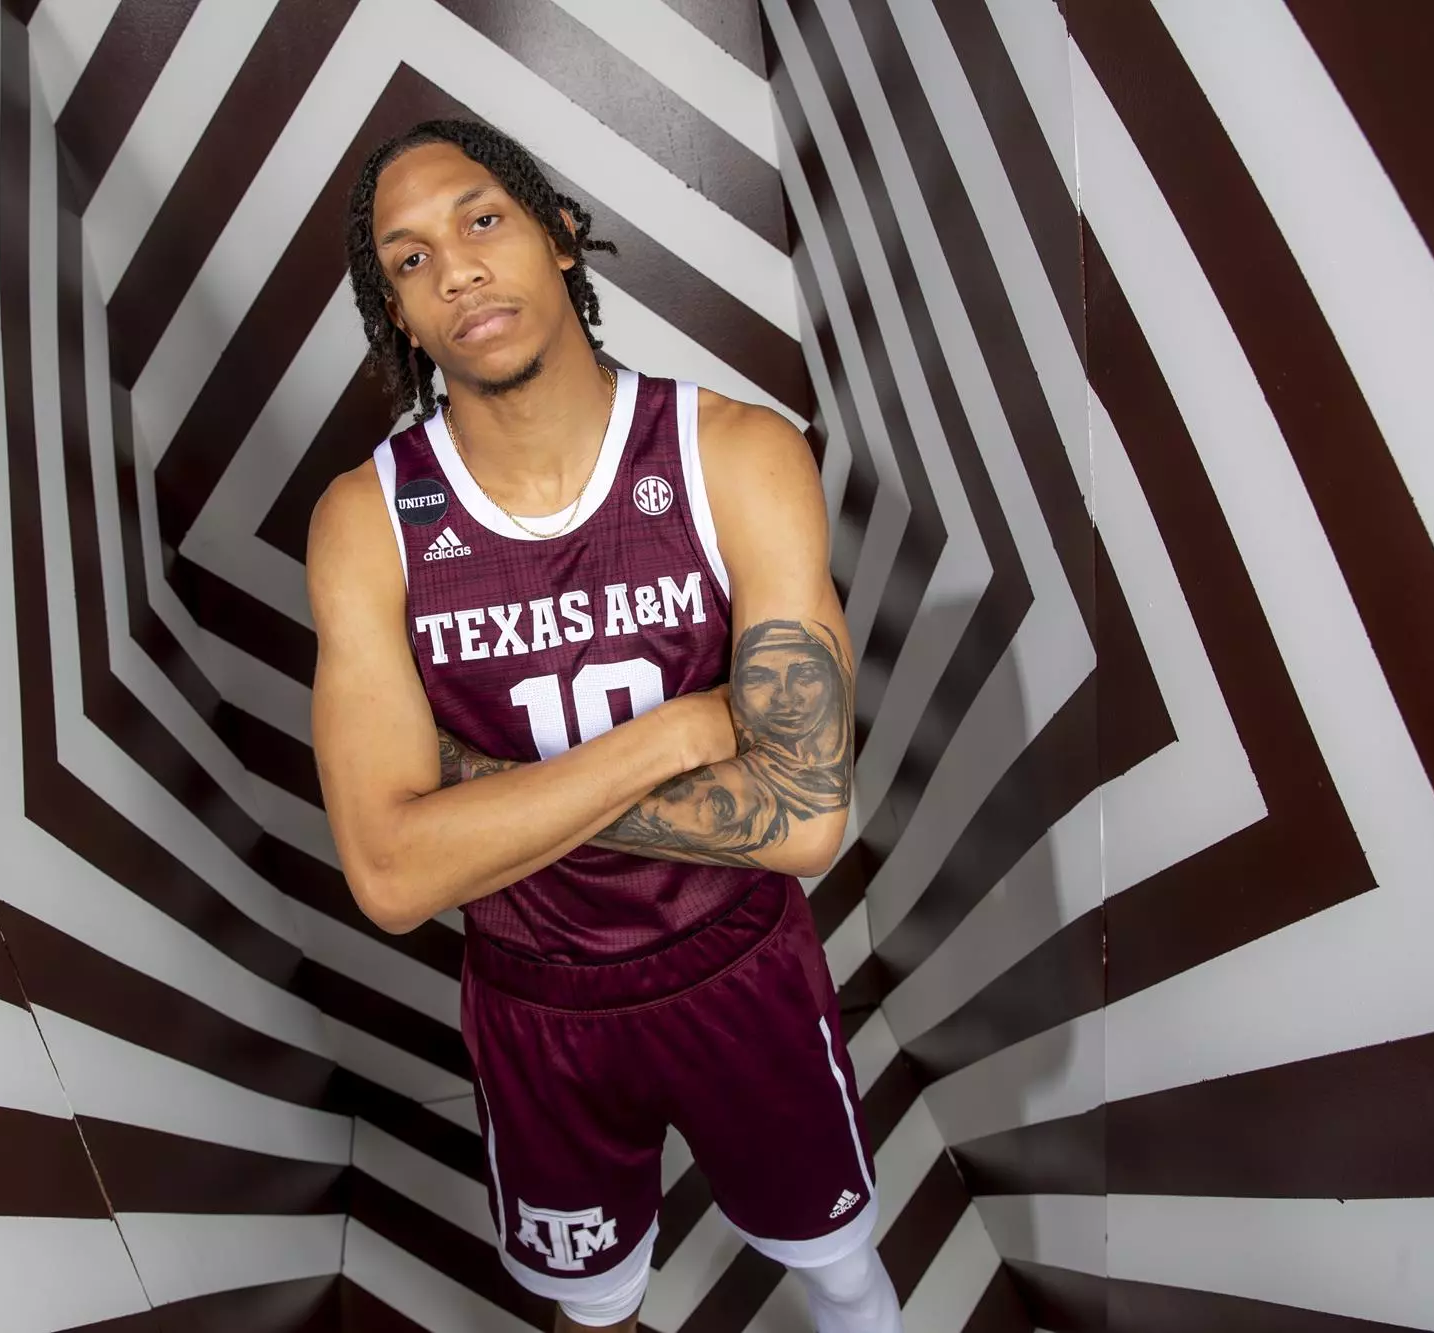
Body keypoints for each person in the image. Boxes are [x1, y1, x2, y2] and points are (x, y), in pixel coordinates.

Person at [307, 118, 901, 1333]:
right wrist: (681, 729)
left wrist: (476, 793)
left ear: (558, 236)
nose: (457, 267)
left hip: (740, 967)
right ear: (398, 319)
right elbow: (388, 874)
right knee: (591, 1313)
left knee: (836, 1261)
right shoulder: (369, 521)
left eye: (482, 220)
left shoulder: (734, 454)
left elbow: (802, 821)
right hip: (535, 1005)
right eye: (408, 260)